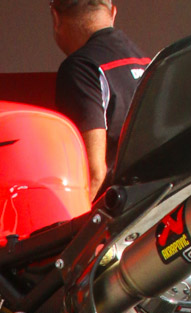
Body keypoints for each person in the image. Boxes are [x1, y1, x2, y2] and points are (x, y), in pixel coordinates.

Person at [51, 0, 149, 198]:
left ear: (56, 18)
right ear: (113, 12)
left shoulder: (81, 68)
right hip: (149, 204)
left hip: (113, 210)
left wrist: (75, 218)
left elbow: (93, 173)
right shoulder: (145, 61)